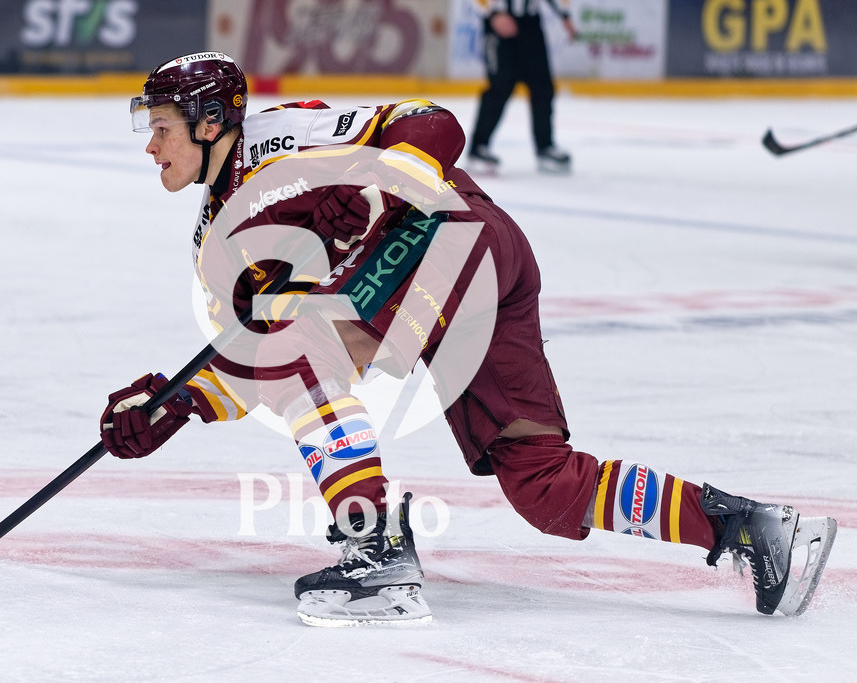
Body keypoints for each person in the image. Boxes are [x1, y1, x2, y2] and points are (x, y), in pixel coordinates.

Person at [99, 51, 837, 627]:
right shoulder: (217, 245)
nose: (151, 147)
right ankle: (750, 528)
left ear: (209, 123)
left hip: (451, 234)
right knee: (542, 484)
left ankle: (373, 547)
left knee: (305, 349)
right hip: (476, 271)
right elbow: (257, 355)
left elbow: (433, 124)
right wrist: (176, 402)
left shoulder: (284, 136)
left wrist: (378, 190)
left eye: (161, 128)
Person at [468, 0, 577, 173]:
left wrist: (564, 14)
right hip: (499, 23)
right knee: (500, 87)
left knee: (542, 86)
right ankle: (478, 147)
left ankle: (545, 146)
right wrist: (492, 14)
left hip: (530, 24)